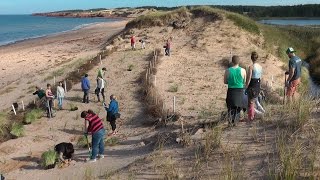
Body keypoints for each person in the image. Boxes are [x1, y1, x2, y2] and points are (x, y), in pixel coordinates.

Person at [224, 56, 246, 126]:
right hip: (240, 91)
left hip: (231, 90)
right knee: (238, 106)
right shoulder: (243, 70)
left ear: (232, 62)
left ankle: (230, 121)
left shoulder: (228, 70)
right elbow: (244, 81)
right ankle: (236, 120)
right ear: (239, 62)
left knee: (230, 106)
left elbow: (225, 81)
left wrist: (231, 82)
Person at [245, 52, 263, 122]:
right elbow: (260, 77)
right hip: (257, 85)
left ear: (251, 58)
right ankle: (253, 115)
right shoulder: (260, 67)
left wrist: (246, 86)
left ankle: (251, 117)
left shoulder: (251, 67)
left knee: (251, 102)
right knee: (254, 100)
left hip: (252, 85)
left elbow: (249, 78)